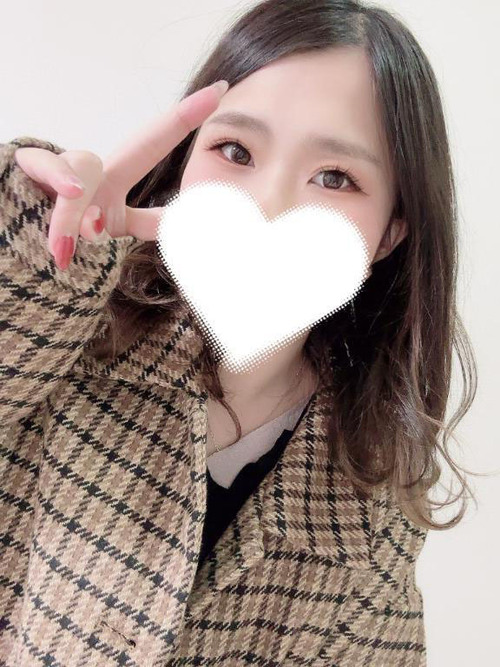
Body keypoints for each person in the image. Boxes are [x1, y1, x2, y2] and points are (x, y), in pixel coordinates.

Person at [0, 1, 478, 665]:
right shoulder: (63, 328)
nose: (268, 204)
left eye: (334, 177)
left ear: (390, 234)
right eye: (236, 151)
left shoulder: (370, 501)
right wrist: (27, 234)